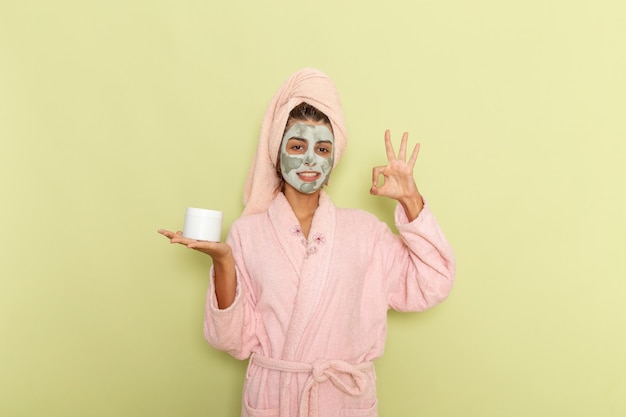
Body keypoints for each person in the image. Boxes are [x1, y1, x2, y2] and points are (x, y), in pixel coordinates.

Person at [158, 68, 455, 417]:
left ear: (333, 160)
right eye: (298, 146)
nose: (311, 159)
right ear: (276, 153)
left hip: (343, 402)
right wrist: (222, 260)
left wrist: (411, 200)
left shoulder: (365, 233)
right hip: (277, 399)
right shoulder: (248, 233)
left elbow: (433, 283)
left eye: (323, 148)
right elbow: (231, 341)